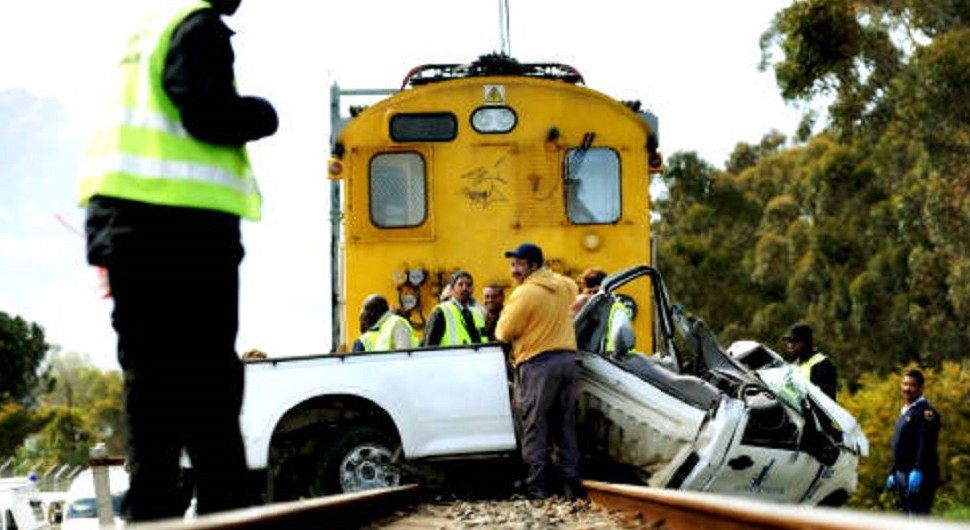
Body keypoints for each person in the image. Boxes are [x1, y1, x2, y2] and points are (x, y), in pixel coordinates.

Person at [79, 0, 277, 521]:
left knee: (149, 373)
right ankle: (226, 503)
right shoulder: (197, 26)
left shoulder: (146, 29)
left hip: (124, 220)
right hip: (181, 227)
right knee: (208, 370)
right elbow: (205, 112)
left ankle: (152, 504)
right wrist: (261, 114)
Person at [495, 242, 583, 500]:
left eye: (518, 265)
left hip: (538, 364)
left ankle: (538, 489)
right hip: (568, 361)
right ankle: (569, 486)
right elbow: (573, 294)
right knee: (566, 426)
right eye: (512, 265)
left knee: (534, 426)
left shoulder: (526, 293)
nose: (513, 271)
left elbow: (504, 331)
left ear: (533, 266)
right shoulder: (565, 285)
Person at [887, 369, 941, 515]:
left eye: (911, 385)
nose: (907, 389)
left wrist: (918, 469)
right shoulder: (905, 411)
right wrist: (893, 471)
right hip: (902, 474)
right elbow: (901, 447)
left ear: (920, 388)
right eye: (904, 384)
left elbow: (926, 445)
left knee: (918, 519)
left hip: (919, 475)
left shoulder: (926, 413)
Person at [422, 270, 487, 346]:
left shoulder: (477, 314)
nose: (464, 288)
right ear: (452, 289)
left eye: (468, 285)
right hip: (450, 357)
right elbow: (429, 345)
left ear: (472, 289)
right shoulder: (441, 311)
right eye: (460, 284)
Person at [783, 323, 837, 400]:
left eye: (795, 340)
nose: (790, 345)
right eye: (788, 341)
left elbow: (825, 399)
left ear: (807, 342)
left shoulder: (822, 364)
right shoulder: (794, 365)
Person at [352, 294, 418, 352]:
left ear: (373, 313)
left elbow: (404, 356)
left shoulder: (397, 323)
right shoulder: (381, 327)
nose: (362, 315)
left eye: (365, 310)